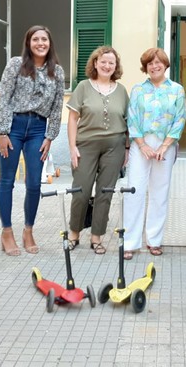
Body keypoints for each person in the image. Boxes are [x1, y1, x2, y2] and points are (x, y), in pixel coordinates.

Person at [0, 25, 65, 256]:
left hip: (38, 129)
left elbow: (57, 107)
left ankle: (28, 230)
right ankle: (7, 232)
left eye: (44, 39)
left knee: (34, 183)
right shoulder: (16, 64)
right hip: (13, 126)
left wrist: (50, 136)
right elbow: (4, 98)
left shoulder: (58, 71)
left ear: (49, 43)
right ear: (28, 42)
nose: (40, 43)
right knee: (7, 181)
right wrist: (2, 132)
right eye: (36, 39)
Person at [124, 48, 186, 260]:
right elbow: (131, 118)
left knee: (160, 193)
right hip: (140, 144)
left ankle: (154, 240)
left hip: (165, 145)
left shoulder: (177, 90)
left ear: (165, 64)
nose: (154, 66)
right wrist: (142, 145)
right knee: (135, 192)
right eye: (150, 63)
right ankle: (130, 242)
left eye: (158, 62)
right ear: (145, 66)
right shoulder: (138, 90)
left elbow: (179, 119)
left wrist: (164, 146)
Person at [67, 46, 129, 255]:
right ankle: (74, 233)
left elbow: (128, 121)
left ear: (115, 66)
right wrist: (72, 147)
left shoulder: (121, 90)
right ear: (95, 63)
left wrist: (127, 148)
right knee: (81, 191)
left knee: (105, 193)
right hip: (86, 145)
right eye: (103, 61)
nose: (107, 65)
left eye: (111, 62)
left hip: (115, 146)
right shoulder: (83, 87)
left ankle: (97, 237)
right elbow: (73, 119)